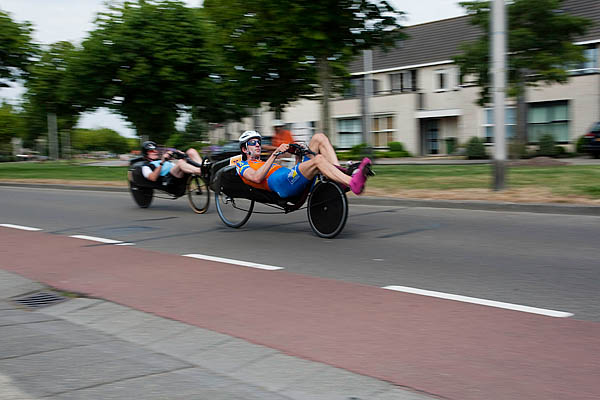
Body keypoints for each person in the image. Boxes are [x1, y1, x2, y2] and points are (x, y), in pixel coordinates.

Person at [235, 130, 371, 197]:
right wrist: (275, 154)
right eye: (253, 143)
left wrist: (298, 155)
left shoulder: (264, 162)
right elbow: (256, 178)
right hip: (281, 185)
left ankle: (341, 176)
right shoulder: (242, 165)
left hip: (290, 178)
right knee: (318, 160)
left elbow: (294, 172)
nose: (258, 145)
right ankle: (352, 182)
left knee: (319, 138)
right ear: (244, 149)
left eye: (259, 142)